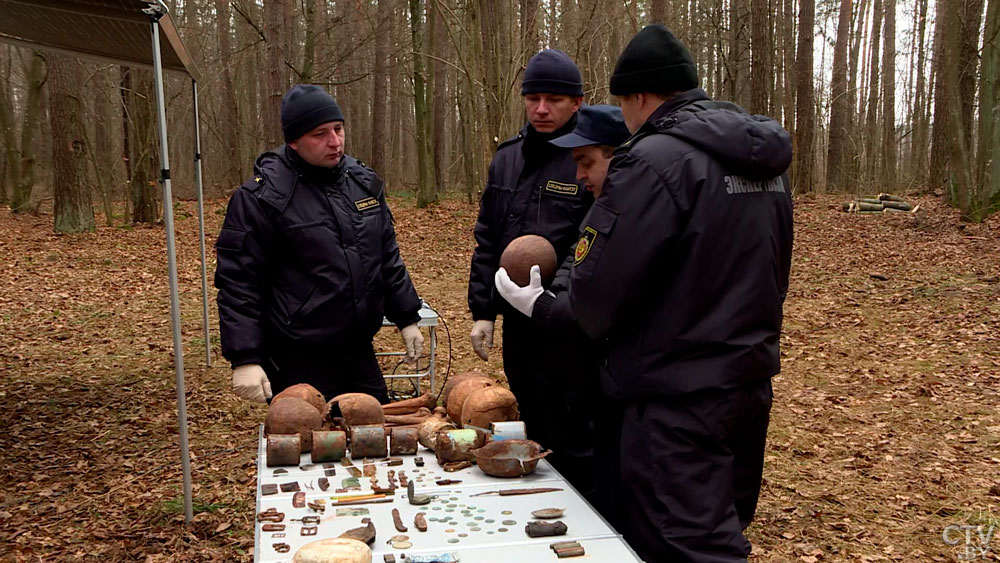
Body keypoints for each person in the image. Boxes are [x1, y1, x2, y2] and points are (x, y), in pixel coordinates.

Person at [567, 25, 794, 562]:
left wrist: (559, 303)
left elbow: (597, 290)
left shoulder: (652, 160)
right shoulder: (763, 164)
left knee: (683, 543)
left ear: (640, 96)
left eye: (623, 103)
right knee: (725, 528)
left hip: (676, 395)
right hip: (747, 382)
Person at [215, 84, 424, 405]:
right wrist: (245, 356)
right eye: (320, 134)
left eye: (338, 129)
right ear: (294, 141)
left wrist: (407, 317)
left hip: (358, 352)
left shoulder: (362, 183)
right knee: (312, 451)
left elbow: (386, 257)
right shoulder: (262, 198)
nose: (335, 141)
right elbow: (239, 282)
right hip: (296, 359)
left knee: (377, 441)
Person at [493, 103, 631, 529]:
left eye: (587, 162)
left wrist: (545, 306)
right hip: (581, 367)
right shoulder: (603, 204)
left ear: (619, 155)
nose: (579, 175)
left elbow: (595, 291)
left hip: (614, 383)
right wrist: (487, 307)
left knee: (598, 484)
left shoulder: (632, 212)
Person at [467, 49, 596, 498]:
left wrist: (558, 304)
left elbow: (594, 243)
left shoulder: (587, 158)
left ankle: (581, 512)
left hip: (568, 323)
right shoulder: (507, 158)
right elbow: (488, 239)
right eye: (534, 98)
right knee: (530, 415)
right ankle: (534, 506)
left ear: (577, 102)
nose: (542, 109)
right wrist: (483, 310)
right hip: (518, 326)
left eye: (555, 100)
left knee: (574, 431)